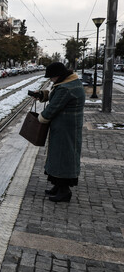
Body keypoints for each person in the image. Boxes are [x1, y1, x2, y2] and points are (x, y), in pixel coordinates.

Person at [35, 62, 85, 202]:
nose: (51, 80)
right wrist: (41, 95)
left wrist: (40, 118)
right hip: (64, 127)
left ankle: (64, 191)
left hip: (65, 129)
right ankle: (57, 186)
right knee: (57, 156)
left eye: (51, 77)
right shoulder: (69, 83)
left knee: (63, 157)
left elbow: (53, 108)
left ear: (59, 75)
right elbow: (54, 97)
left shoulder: (66, 89)